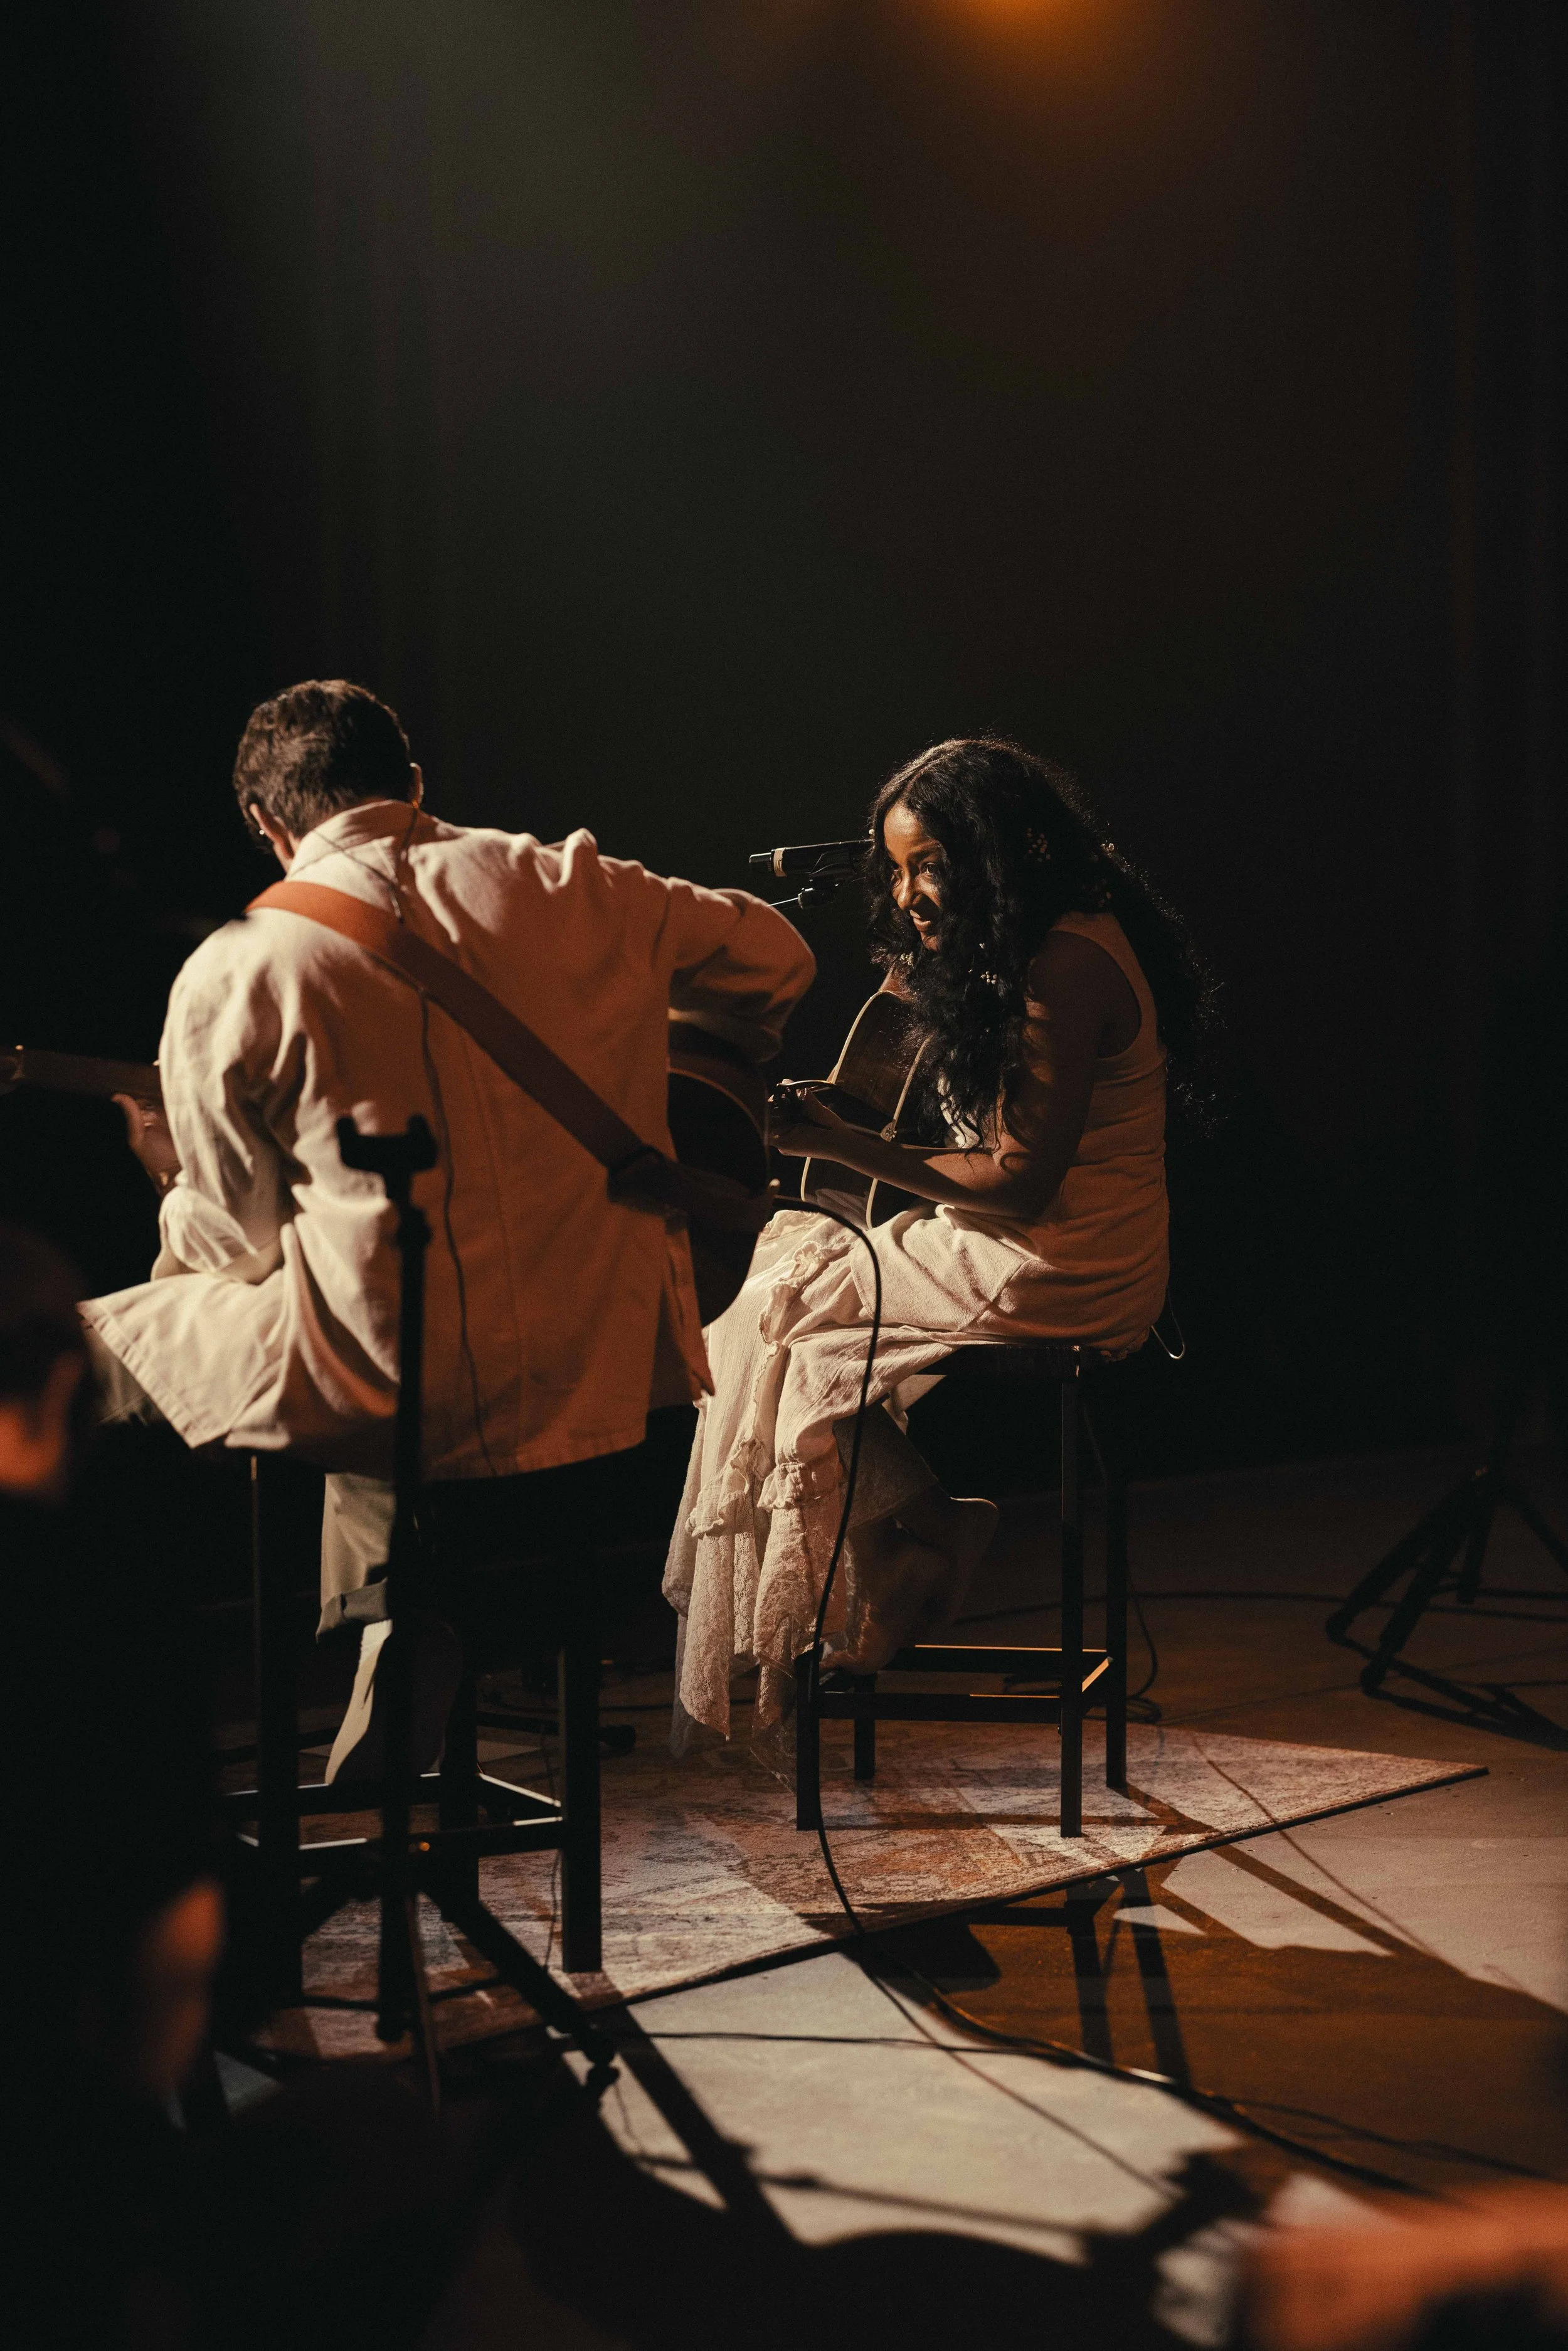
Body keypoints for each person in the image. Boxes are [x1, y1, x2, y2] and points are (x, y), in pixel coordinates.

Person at [83, 680, 813, 1775]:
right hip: (597, 1354)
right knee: (359, 1314)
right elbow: (780, 959)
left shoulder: (236, 969)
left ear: (266, 824)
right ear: (415, 785)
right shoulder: (572, 883)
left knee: (75, 1353)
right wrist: (645, 1046)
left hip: (388, 1374)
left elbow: (236, 1244)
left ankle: (103, 1723)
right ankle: (395, 1616)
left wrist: (168, 1176)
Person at [664, 736, 1214, 1760]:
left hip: (1064, 1259)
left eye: (931, 866)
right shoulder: (1004, 949)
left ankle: (910, 1539)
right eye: (897, 870)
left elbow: (1021, 1181)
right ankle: (918, 1534)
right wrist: (841, 1115)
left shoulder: (1065, 965)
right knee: (761, 1290)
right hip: (1004, 1237)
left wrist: (839, 1145)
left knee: (775, 1305)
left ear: (1003, 853)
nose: (909, 894)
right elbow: (920, 1116)